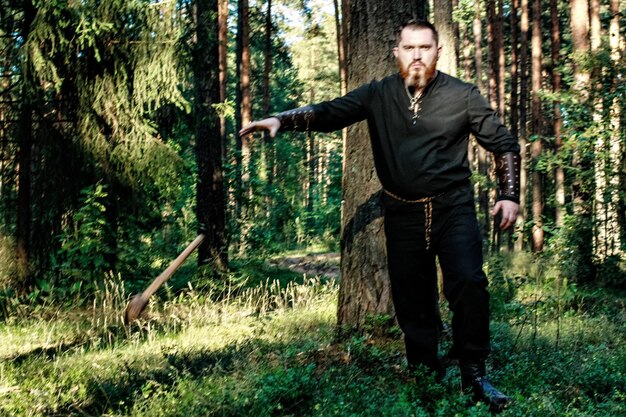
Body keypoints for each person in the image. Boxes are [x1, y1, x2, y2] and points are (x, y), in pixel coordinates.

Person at [240, 20, 519, 412]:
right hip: (401, 211)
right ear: (397, 53)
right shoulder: (379, 94)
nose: (417, 55)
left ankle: (474, 375)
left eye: (425, 47)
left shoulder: (463, 95)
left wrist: (509, 194)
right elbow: (330, 113)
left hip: (452, 207)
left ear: (438, 52)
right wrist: (282, 120)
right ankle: (426, 376)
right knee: (411, 298)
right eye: (409, 47)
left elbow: (503, 143)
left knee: (469, 283)